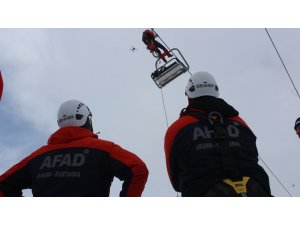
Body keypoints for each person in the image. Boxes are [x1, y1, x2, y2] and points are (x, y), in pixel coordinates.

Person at [0, 99, 149, 197]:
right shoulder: (104, 149)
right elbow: (138, 168)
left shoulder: (37, 157)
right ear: (86, 119)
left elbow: (4, 183)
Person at [164, 71, 272, 197]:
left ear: (188, 95)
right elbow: (252, 154)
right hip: (256, 188)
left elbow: (175, 181)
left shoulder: (177, 128)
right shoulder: (240, 123)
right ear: (215, 92)